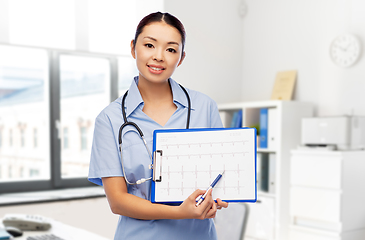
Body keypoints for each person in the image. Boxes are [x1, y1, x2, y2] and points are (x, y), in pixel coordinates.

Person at [88, 12, 228, 240]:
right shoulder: (110, 119)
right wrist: (179, 212)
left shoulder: (205, 107)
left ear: (181, 57)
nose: (159, 56)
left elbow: (221, 174)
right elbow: (118, 201)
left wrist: (220, 197)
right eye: (149, 45)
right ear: (134, 48)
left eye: (171, 49)